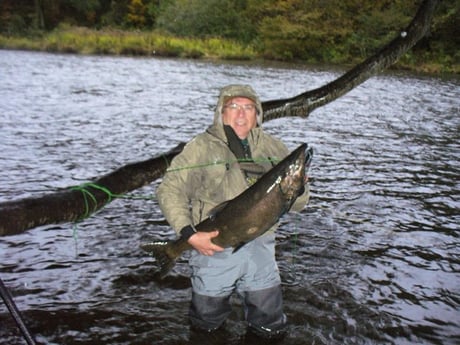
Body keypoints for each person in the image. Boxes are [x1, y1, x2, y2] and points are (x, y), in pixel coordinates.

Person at [156, 84, 309, 340]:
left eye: (249, 108)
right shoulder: (201, 147)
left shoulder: (275, 148)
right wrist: (189, 235)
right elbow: (169, 190)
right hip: (211, 247)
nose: (241, 114)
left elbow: (300, 204)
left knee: (270, 327)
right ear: (221, 112)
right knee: (206, 327)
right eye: (234, 107)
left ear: (257, 113)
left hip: (261, 249)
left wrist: (300, 188)